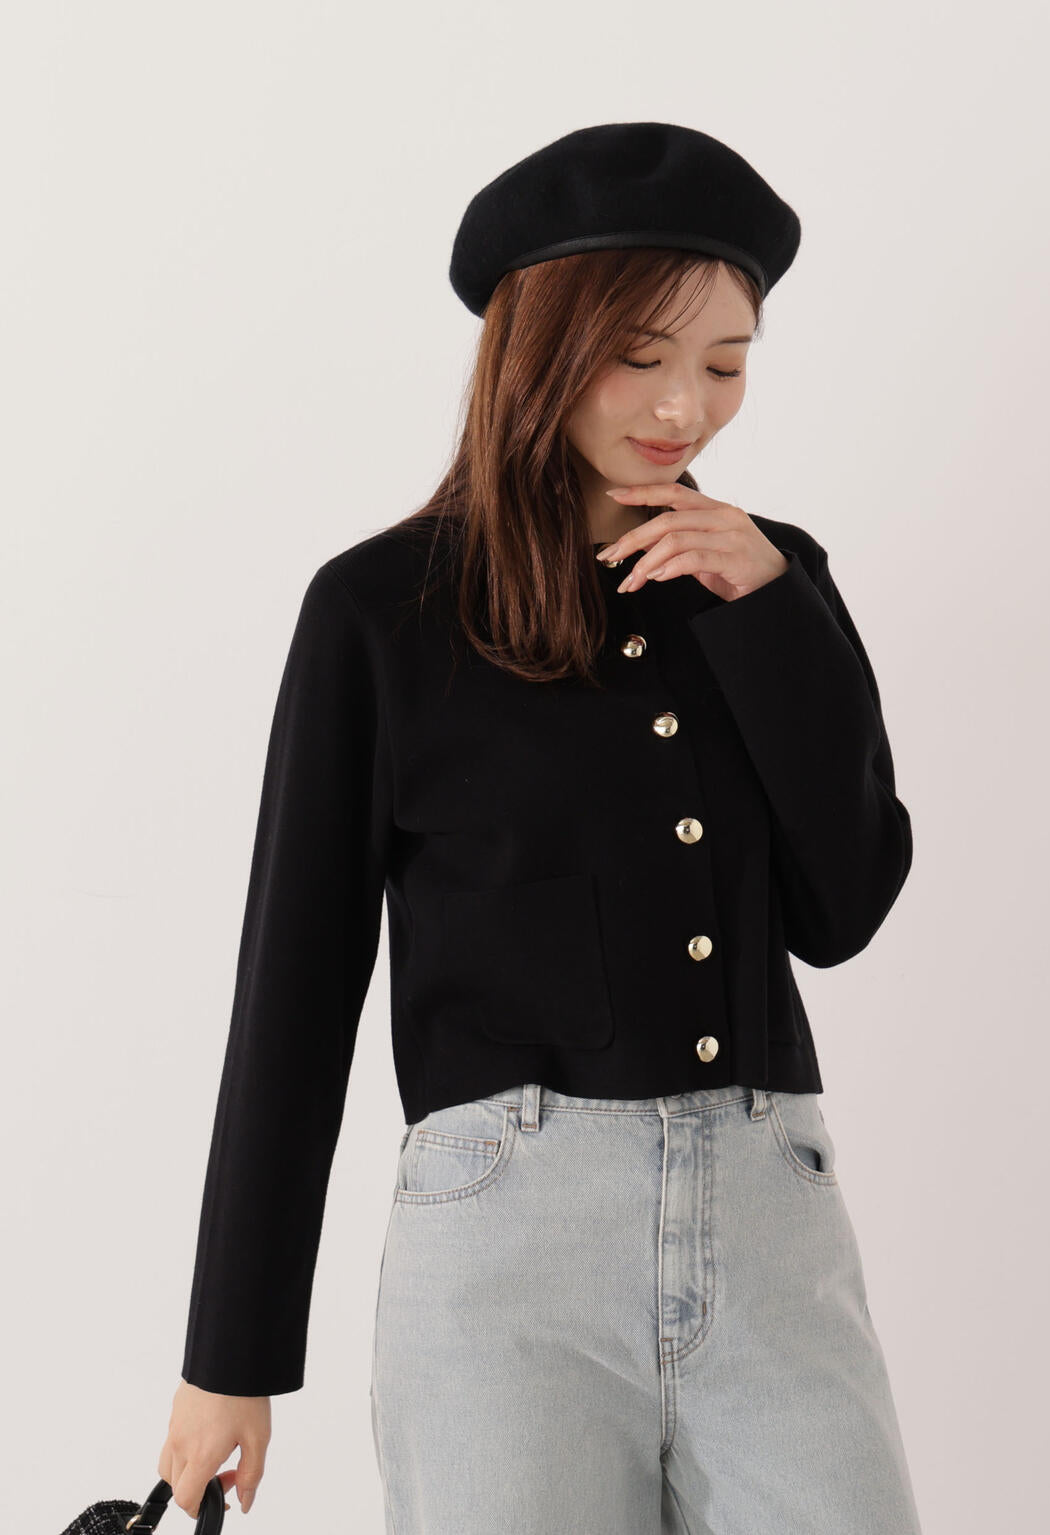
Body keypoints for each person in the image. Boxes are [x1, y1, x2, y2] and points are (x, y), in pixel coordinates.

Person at [157, 121, 924, 1532]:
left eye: (727, 364)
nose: (686, 406)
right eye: (641, 355)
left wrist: (774, 622)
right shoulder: (381, 611)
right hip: (506, 1253)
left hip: (772, 1224)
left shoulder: (769, 581)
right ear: (542, 347)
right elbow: (295, 995)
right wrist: (231, 1360)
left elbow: (848, 906)